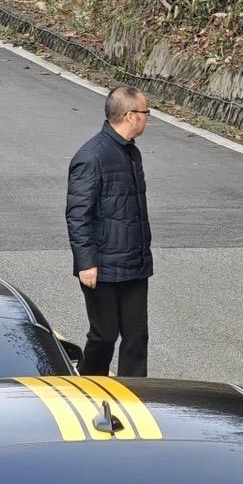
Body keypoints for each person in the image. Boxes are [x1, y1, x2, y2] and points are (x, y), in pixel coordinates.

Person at [65, 85, 153, 376]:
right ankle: (90, 388)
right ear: (130, 115)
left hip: (134, 263)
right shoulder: (91, 156)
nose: (148, 118)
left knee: (136, 338)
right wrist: (86, 262)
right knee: (104, 337)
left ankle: (134, 397)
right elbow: (78, 214)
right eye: (145, 112)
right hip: (101, 266)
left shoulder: (131, 153)